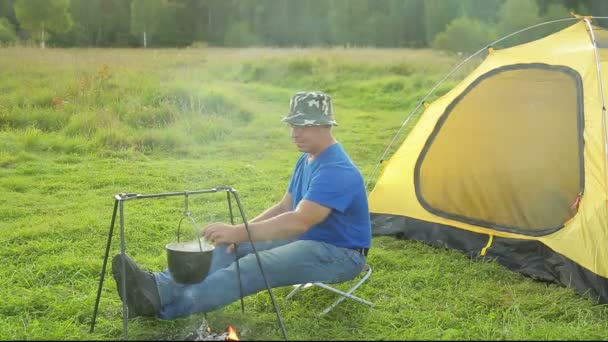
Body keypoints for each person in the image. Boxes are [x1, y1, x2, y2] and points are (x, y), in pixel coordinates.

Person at [112, 90, 371, 319]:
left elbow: (299, 220)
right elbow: (284, 207)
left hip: (340, 254)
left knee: (254, 266)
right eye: (293, 124)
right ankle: (156, 288)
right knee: (230, 248)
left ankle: (162, 309)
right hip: (305, 240)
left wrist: (238, 232)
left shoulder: (337, 169)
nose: (294, 133)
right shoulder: (308, 158)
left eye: (302, 125)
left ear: (325, 126)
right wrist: (238, 234)